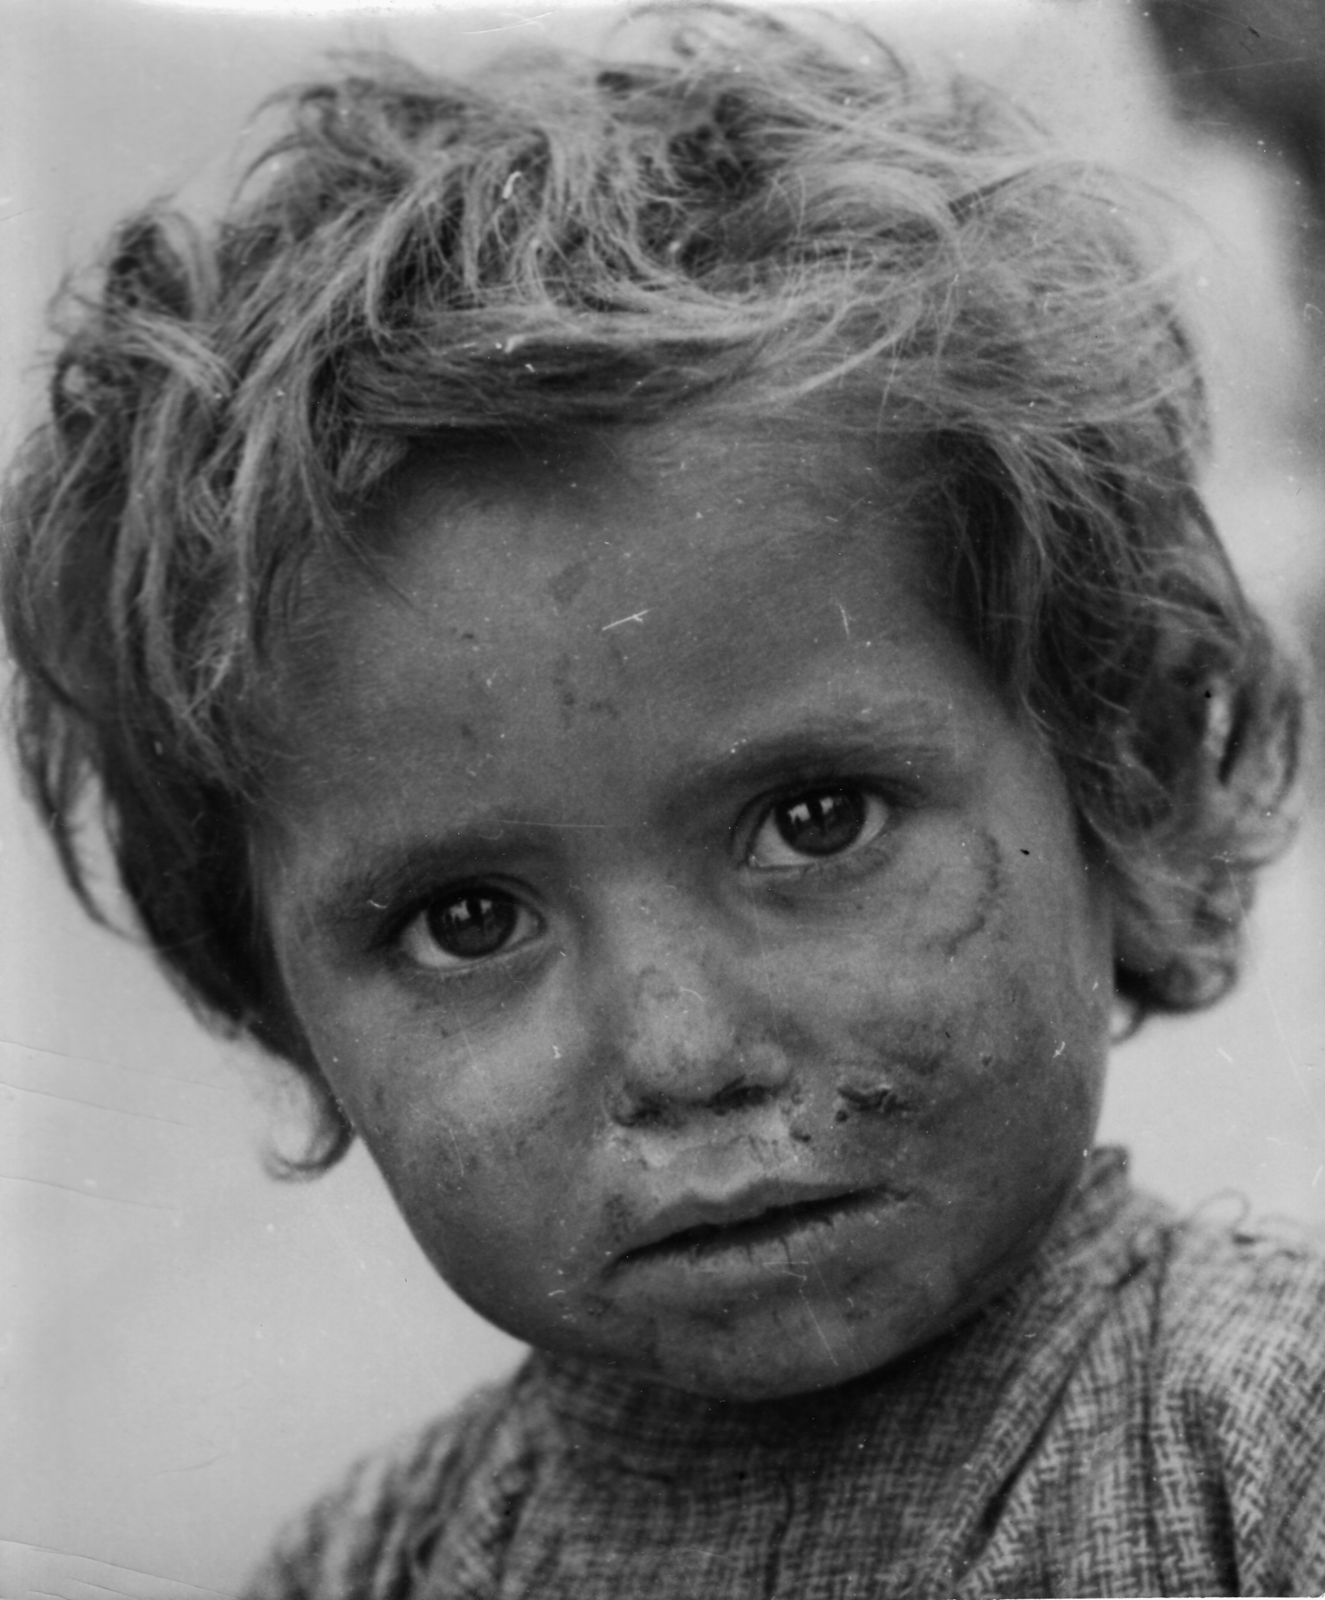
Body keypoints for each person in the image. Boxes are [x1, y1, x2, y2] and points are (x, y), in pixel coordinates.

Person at [2, 7, 1319, 1595]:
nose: (682, 1051)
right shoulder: (368, 1567)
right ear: (280, 1008)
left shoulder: (1263, 1446)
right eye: (465, 920)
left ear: (1122, 768)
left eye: (814, 821)